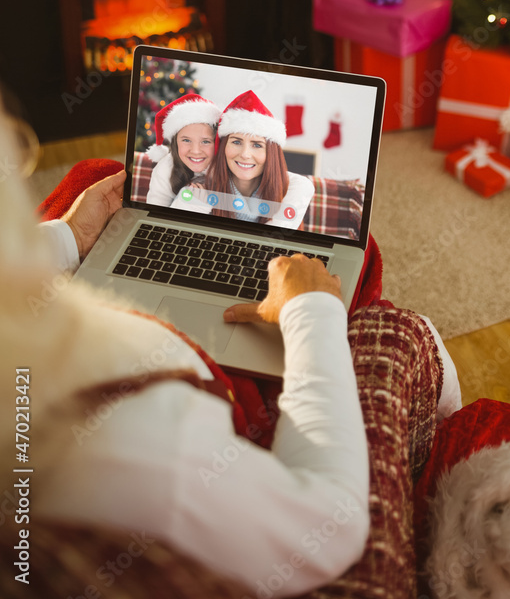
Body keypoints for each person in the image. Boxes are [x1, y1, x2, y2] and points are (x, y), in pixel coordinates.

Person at [2, 100, 462, 598]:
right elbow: (322, 529)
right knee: (371, 279)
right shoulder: (127, 434)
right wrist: (311, 309)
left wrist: (70, 236)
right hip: (208, 381)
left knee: (98, 176)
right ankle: (443, 425)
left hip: (112, 295)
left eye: (257, 142)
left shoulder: (292, 189)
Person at [199, 89, 315, 228]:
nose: (245, 154)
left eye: (257, 145)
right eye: (236, 142)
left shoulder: (293, 188)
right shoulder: (201, 184)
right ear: (223, 147)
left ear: (271, 154)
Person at [145, 94, 221, 207]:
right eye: (186, 140)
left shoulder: (225, 165)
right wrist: (186, 203)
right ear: (175, 143)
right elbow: (155, 213)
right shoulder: (165, 169)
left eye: (205, 141)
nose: (195, 151)